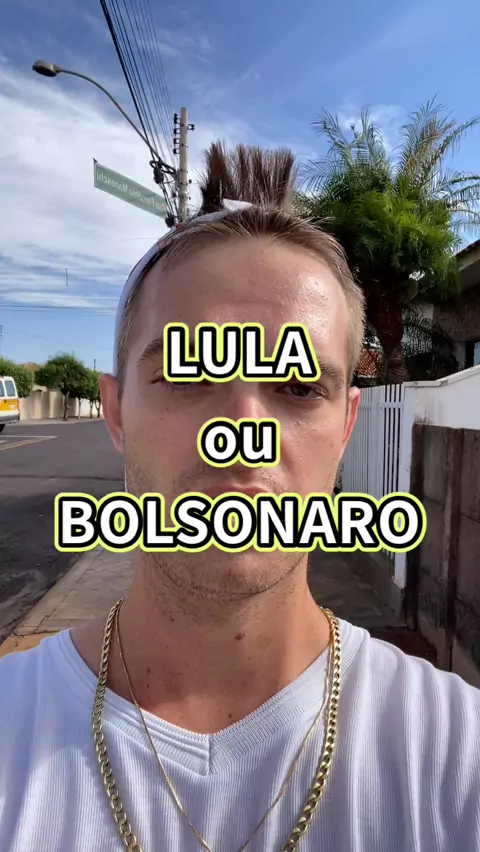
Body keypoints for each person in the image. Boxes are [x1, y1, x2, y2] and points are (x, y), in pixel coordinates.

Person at [0, 204, 479, 852]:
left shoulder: (455, 756)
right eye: (190, 373)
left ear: (345, 427)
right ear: (116, 413)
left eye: (299, 386)